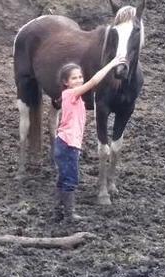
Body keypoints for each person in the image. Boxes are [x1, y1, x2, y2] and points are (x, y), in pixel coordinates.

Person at [54, 56, 127, 222]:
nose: (79, 80)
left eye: (80, 77)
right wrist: (113, 63)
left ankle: (58, 211)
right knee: (71, 179)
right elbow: (94, 81)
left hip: (66, 144)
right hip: (67, 145)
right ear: (66, 82)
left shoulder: (73, 96)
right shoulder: (71, 94)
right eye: (74, 78)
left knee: (63, 177)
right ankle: (70, 214)